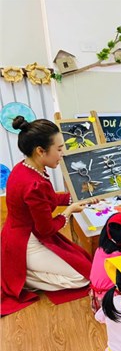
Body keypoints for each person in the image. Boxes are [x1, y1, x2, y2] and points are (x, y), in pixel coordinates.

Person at [1, 116, 96, 316]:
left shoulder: (24, 167)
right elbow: (46, 229)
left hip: (19, 234)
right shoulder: (34, 184)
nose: (62, 154)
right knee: (81, 278)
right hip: (26, 242)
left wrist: (76, 198)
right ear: (40, 151)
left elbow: (47, 199)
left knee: (82, 262)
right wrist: (69, 211)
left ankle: (19, 271)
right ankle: (24, 277)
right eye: (59, 149)